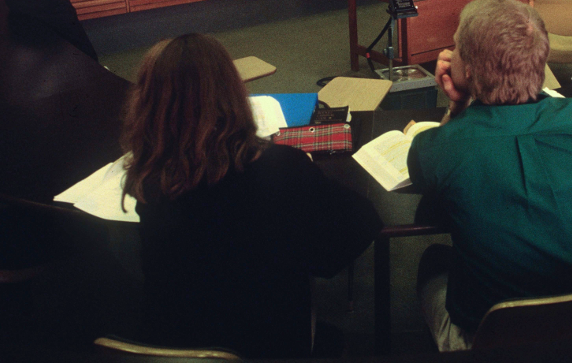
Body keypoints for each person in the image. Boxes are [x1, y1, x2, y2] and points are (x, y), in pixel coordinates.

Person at [120, 34, 382, 358]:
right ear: (232, 94)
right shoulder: (281, 168)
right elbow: (362, 224)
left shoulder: (148, 182)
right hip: (268, 346)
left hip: (172, 345)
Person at [407, 0, 572, 352]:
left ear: (468, 70)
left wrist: (456, 107)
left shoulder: (440, 144)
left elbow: (430, 192)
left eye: (456, 47)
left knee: (434, 259)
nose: (450, 52)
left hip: (490, 338)